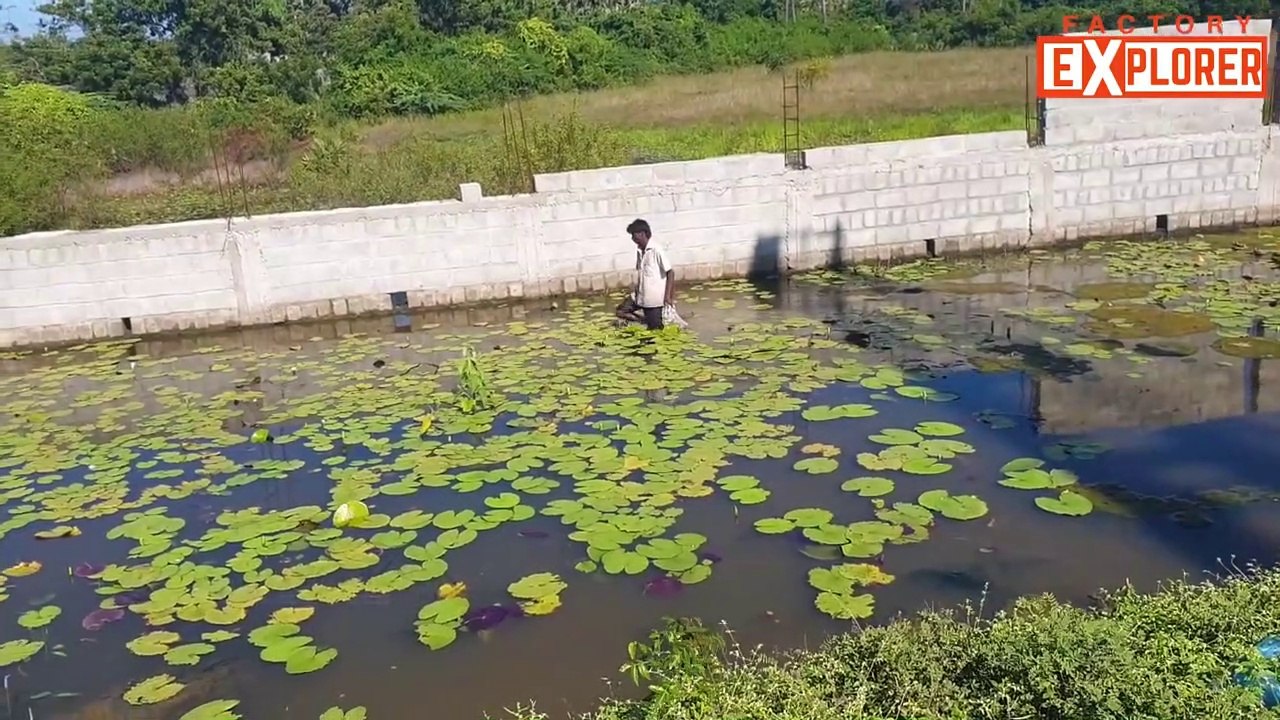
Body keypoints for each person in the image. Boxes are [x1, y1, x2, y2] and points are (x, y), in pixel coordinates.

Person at [615, 218, 675, 331]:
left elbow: (670, 272)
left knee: (655, 329)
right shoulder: (639, 251)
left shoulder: (656, 250)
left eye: (634, 235)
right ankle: (642, 321)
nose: (633, 238)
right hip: (641, 297)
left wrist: (668, 297)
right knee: (621, 310)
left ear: (643, 234)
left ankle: (649, 322)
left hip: (654, 301)